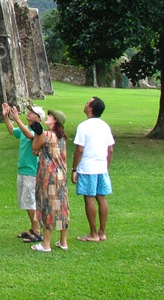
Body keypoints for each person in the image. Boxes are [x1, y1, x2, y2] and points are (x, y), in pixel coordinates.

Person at [72, 96, 115, 242]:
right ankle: (102, 233)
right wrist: (106, 167)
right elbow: (110, 150)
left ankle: (93, 233)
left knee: (89, 198)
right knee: (101, 198)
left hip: (87, 168)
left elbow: (79, 150)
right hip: (101, 168)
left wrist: (74, 169)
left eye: (87, 103)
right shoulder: (105, 126)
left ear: (90, 108)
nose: (85, 105)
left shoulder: (83, 126)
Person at [2, 102, 44, 243]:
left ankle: (37, 231)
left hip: (31, 171)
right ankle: (33, 228)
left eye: (32, 112)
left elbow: (29, 136)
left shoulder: (38, 131)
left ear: (38, 118)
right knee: (26, 201)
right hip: (23, 169)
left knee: (30, 201)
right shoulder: (25, 127)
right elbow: (12, 131)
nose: (29, 113)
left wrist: (17, 119)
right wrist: (6, 117)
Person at [29, 109, 70, 252]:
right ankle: (63, 242)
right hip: (61, 175)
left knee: (48, 206)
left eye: (51, 116)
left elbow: (35, 147)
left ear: (55, 121)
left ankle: (46, 244)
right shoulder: (62, 137)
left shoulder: (47, 135)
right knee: (62, 207)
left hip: (48, 176)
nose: (48, 117)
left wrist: (37, 135)